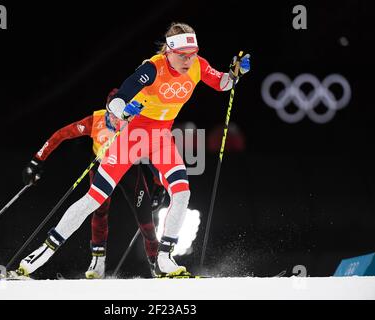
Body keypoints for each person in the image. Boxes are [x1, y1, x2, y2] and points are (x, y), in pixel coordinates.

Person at [14, 22, 250, 278]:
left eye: (192, 54)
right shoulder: (152, 68)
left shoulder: (198, 65)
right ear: (168, 51)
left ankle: (165, 259)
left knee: (182, 192)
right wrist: (124, 111)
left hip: (161, 138)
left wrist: (235, 73)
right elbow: (117, 101)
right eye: (183, 55)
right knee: (95, 198)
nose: (188, 60)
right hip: (132, 137)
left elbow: (223, 84)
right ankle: (39, 255)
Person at [21, 89, 166, 279]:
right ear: (107, 109)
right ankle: (98, 260)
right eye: (113, 115)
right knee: (99, 210)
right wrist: (37, 160)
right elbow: (61, 135)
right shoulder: (95, 120)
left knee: (145, 218)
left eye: (123, 116)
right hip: (102, 167)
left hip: (129, 169)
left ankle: (157, 262)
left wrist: (159, 186)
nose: (117, 121)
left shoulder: (136, 124)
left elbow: (155, 155)